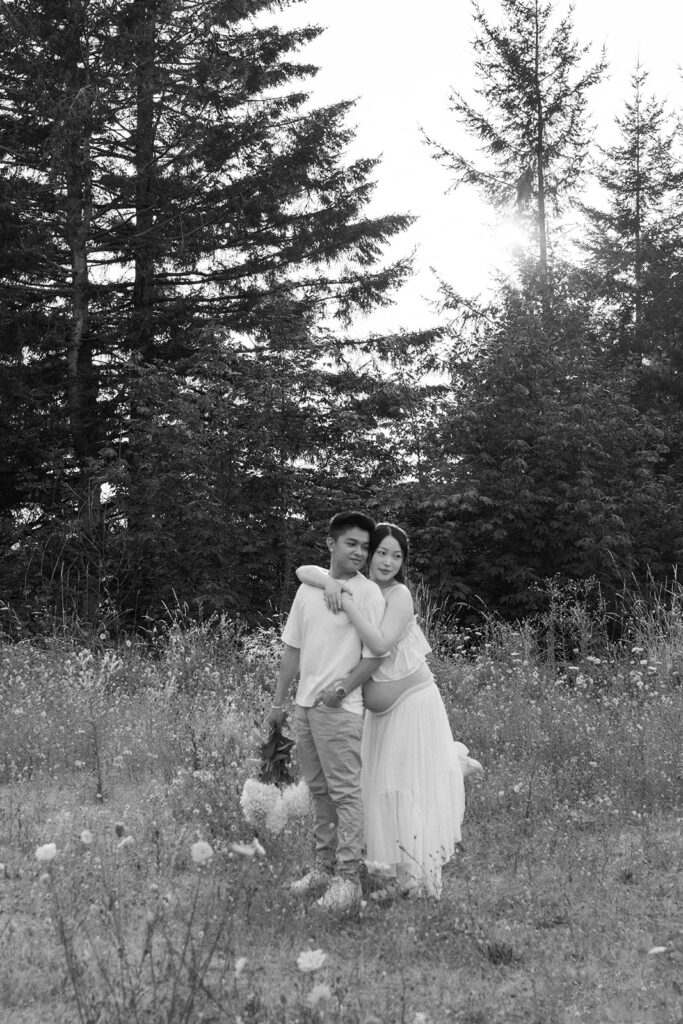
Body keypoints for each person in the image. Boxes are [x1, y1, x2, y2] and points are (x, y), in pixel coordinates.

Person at [297, 523, 481, 900]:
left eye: (397, 556)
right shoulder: (361, 587)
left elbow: (379, 644)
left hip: (412, 706)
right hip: (378, 714)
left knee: (406, 788)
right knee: (380, 789)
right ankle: (398, 878)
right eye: (381, 552)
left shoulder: (397, 596)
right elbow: (305, 571)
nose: (388, 561)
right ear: (368, 554)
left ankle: (420, 881)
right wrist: (330, 582)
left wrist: (343, 598)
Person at [265, 511, 387, 911]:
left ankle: (348, 879)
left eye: (365, 547)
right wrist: (279, 703)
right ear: (331, 544)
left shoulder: (368, 594)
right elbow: (292, 650)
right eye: (351, 544)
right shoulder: (309, 590)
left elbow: (374, 656)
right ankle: (322, 868)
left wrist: (341, 691)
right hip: (304, 708)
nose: (359, 552)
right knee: (319, 792)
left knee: (346, 794)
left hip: (340, 710)